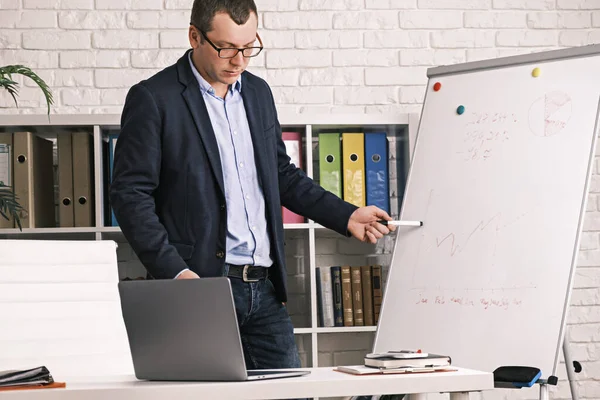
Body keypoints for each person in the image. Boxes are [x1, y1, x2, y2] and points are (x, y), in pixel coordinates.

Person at [109, 0, 396, 372]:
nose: (239, 60)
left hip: (264, 290)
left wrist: (346, 215)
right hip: (200, 288)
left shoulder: (257, 93)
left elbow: (281, 174)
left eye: (249, 48)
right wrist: (177, 275)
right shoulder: (154, 98)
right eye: (226, 47)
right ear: (194, 36)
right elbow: (130, 196)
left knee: (293, 396)